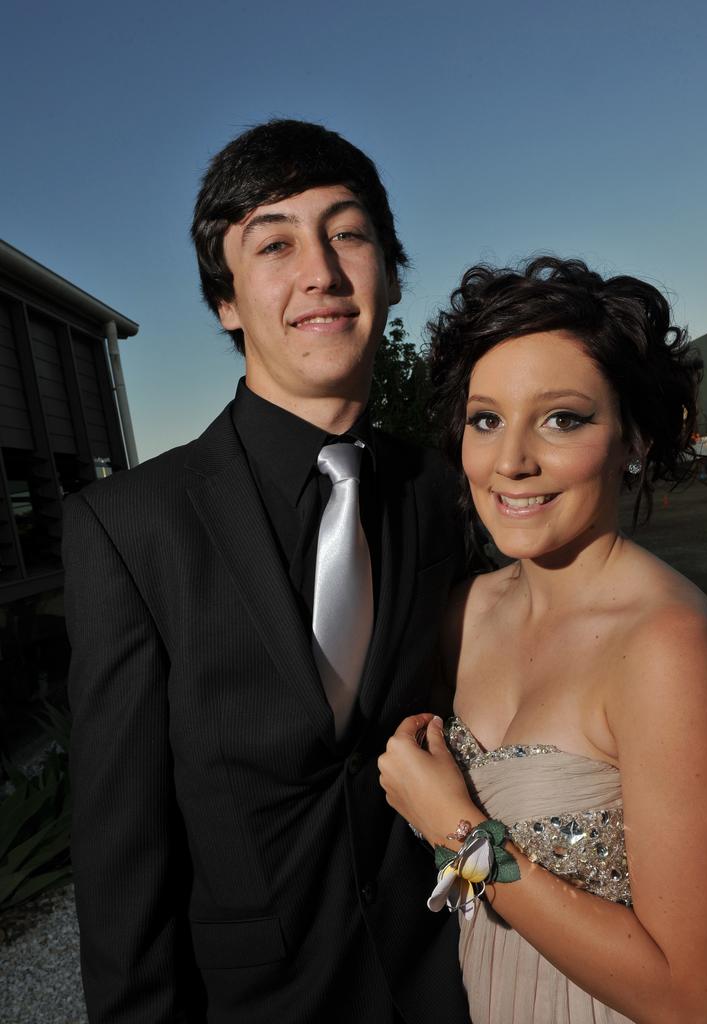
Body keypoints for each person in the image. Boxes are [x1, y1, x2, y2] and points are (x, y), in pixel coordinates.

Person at [63, 119, 471, 1023]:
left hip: (450, 989)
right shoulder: (128, 528)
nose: (320, 271)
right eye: (274, 243)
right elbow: (123, 858)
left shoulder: (444, 492)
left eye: (348, 232)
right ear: (227, 303)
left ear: (391, 273)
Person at [378, 257, 707, 1024]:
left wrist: (458, 834)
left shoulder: (665, 645)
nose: (512, 461)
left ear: (636, 438)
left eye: (563, 418)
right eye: (487, 419)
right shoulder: (463, 613)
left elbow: (690, 999)